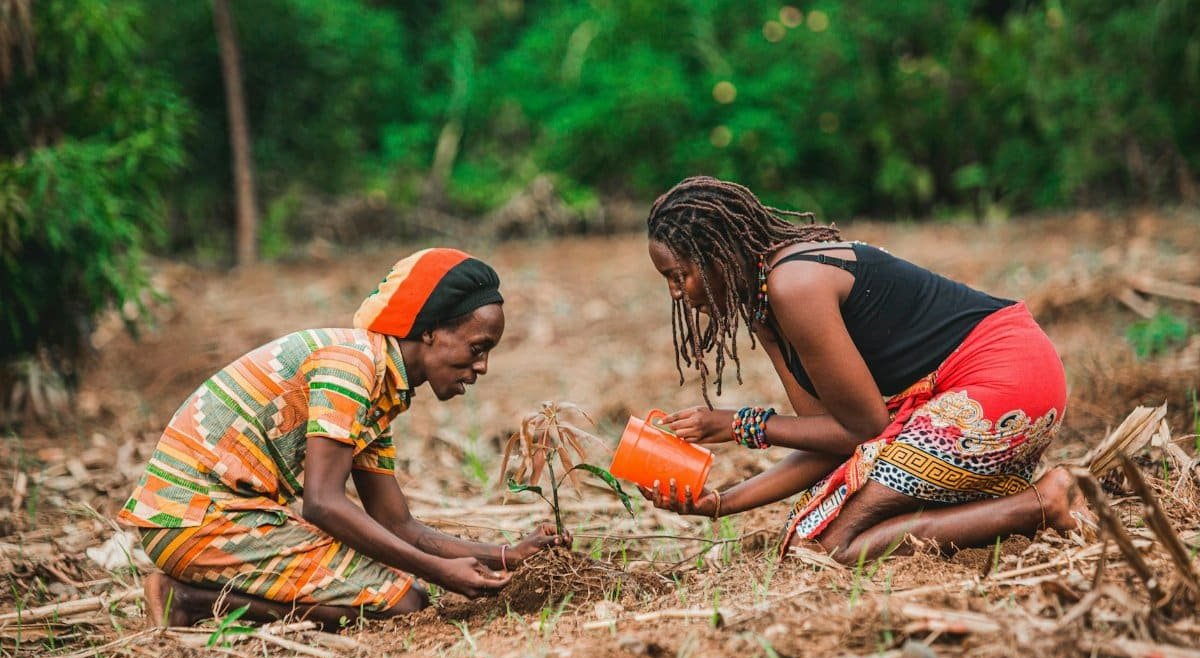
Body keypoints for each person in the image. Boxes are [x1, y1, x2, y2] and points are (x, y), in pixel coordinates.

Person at [640, 176, 1090, 564]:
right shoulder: (764, 305)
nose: (676, 293)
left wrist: (740, 425)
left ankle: (1043, 503)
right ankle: (1023, 502)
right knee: (812, 536)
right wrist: (719, 502)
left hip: (1005, 379)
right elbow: (831, 440)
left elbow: (862, 429)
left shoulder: (793, 284)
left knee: (827, 545)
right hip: (985, 388)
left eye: (679, 275)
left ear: (717, 254)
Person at [118, 248, 570, 629]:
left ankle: (195, 597)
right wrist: (439, 571)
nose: (483, 367)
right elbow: (321, 502)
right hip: (197, 517)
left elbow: (397, 524)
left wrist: (507, 554)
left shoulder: (381, 386)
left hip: (205, 515)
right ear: (429, 331)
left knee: (400, 583)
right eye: (477, 348)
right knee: (404, 601)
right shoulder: (352, 367)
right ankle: (191, 602)